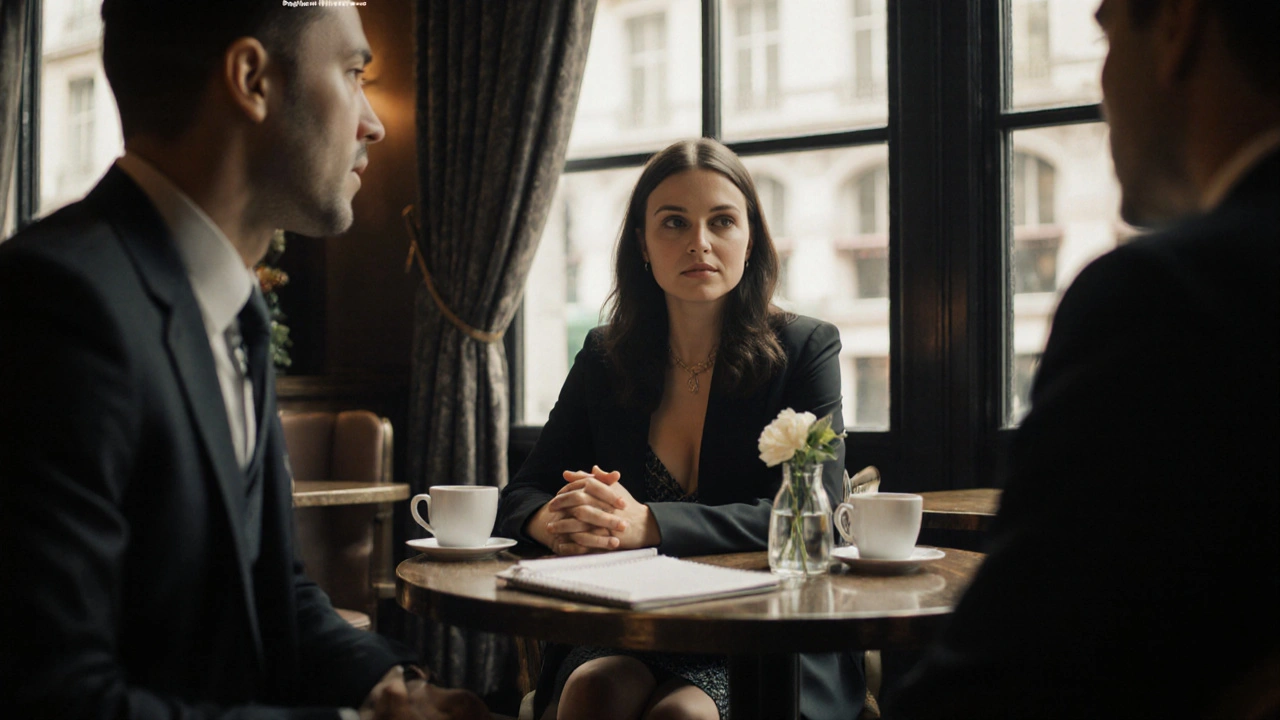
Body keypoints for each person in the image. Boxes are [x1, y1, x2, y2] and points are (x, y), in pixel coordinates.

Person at [0, 2, 488, 719]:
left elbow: (271, 588)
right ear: (252, 79)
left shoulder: (238, 311)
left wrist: (385, 686)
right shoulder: (52, 307)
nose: (374, 122)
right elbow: (53, 697)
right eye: (353, 72)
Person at [886, 0, 1279, 717]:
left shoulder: (1171, 299)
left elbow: (1004, 685)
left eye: (1103, 35)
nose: (1099, 86)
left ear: (1174, 27)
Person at [496, 139, 865, 720]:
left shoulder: (806, 348)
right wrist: (562, 520)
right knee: (593, 692)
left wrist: (648, 522)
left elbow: (814, 515)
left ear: (751, 239)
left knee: (682, 716)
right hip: (631, 623)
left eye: (722, 221)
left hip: (761, 631)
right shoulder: (604, 354)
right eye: (673, 222)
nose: (700, 242)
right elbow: (522, 494)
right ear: (642, 243)